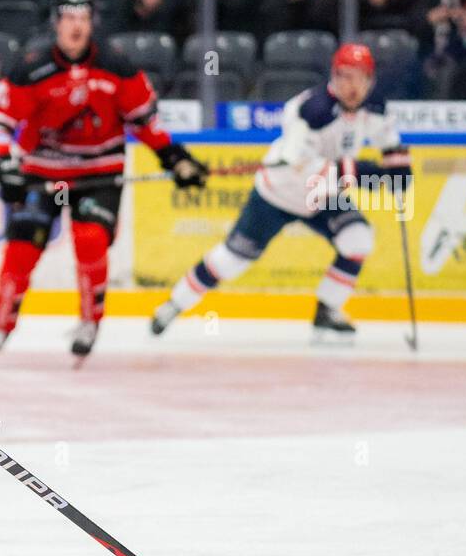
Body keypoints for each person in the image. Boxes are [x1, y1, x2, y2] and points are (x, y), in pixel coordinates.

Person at [0, 0, 207, 360]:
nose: (76, 26)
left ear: (91, 22)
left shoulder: (117, 65)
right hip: (42, 171)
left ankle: (90, 322)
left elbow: (145, 121)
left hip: (99, 172)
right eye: (68, 18)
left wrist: (174, 158)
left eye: (82, 18)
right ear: (57, 23)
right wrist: (2, 162)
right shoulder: (30, 66)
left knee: (90, 239)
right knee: (21, 247)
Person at [150, 44, 412, 339]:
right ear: (334, 77)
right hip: (280, 194)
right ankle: (174, 304)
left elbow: (390, 144)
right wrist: (376, 176)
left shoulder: (375, 108)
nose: (352, 86)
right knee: (232, 260)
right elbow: (312, 170)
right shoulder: (310, 110)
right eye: (345, 77)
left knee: (358, 239)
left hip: (322, 197)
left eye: (360, 78)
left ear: (370, 81)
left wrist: (398, 169)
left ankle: (326, 309)